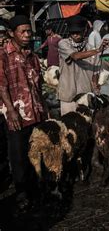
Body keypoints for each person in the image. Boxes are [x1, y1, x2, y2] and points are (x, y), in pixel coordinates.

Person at [0, 15, 46, 212]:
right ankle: (21, 192)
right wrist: (11, 111)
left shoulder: (32, 55)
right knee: (17, 154)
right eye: (23, 32)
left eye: (29, 31)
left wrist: (44, 108)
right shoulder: (3, 55)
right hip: (16, 114)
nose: (28, 35)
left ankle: (36, 187)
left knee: (35, 150)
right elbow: (1, 86)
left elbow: (39, 84)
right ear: (12, 34)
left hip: (35, 111)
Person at [58, 16, 109, 115]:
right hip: (68, 94)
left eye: (78, 32)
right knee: (69, 125)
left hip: (86, 96)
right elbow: (75, 56)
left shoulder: (90, 48)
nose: (75, 35)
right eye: (73, 32)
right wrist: (98, 50)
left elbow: (95, 70)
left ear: (84, 31)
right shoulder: (63, 44)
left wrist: (95, 86)